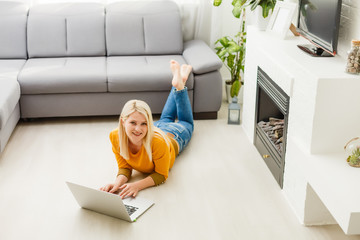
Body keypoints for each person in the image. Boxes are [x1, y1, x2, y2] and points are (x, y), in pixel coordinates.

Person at [100, 60, 194, 199]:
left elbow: (161, 175)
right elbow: (125, 167)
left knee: (186, 122)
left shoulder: (157, 142)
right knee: (165, 118)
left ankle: (180, 84)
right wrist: (116, 184)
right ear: (123, 122)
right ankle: (180, 82)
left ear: (148, 123)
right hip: (155, 128)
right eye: (133, 122)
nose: (138, 129)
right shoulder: (115, 136)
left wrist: (136, 185)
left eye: (144, 123)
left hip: (175, 134)